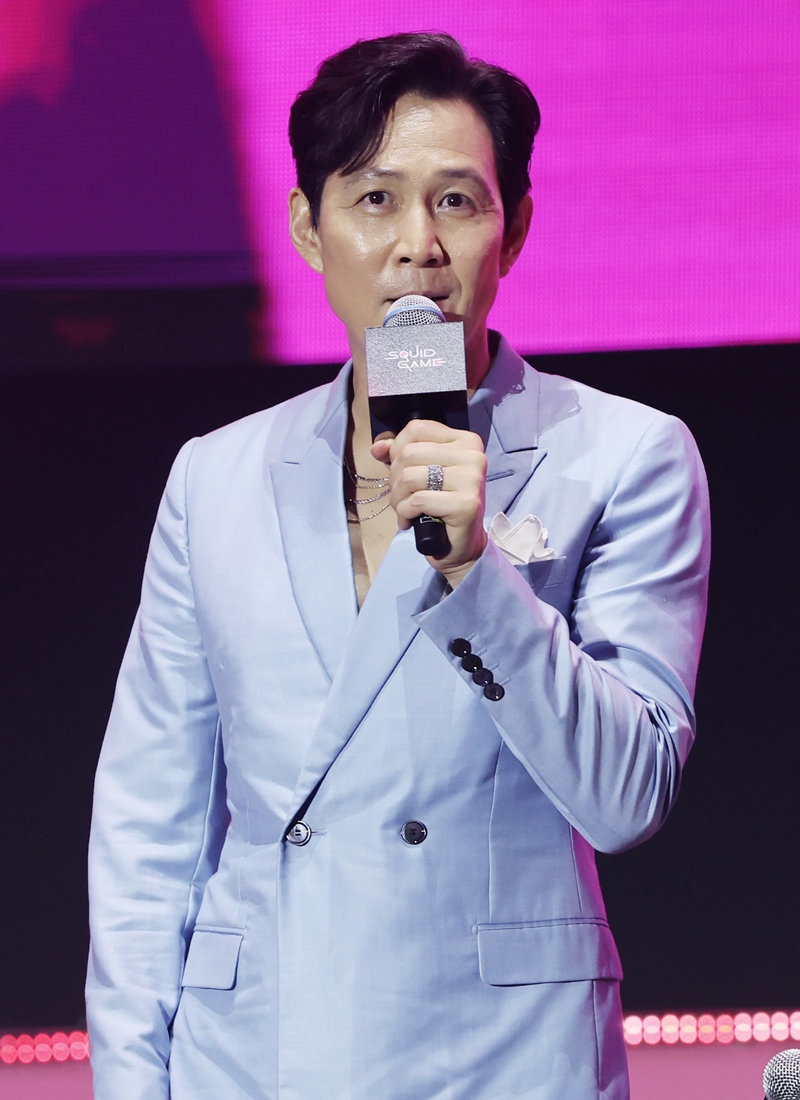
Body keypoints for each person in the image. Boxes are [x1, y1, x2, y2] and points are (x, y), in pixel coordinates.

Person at [85, 32, 710, 1100]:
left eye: (456, 202)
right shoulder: (216, 477)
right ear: (307, 228)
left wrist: (477, 571)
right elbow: (150, 826)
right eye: (374, 200)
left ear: (514, 229)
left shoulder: (624, 456)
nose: (418, 246)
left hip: (506, 1056)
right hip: (257, 1055)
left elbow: (625, 794)